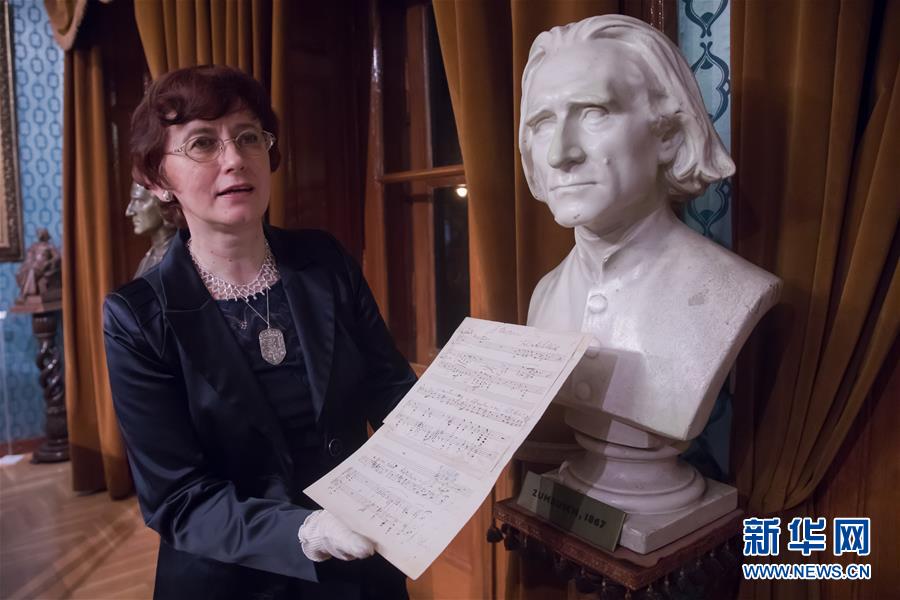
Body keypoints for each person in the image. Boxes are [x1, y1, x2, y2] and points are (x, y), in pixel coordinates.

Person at [103, 65, 416, 599]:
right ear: (158, 180)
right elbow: (178, 499)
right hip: (231, 578)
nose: (234, 159)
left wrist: (464, 423)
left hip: (363, 565)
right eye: (202, 143)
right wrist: (306, 530)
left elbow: (391, 391)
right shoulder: (136, 316)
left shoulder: (324, 260)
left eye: (248, 136)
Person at [125, 181, 176, 277]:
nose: (129, 211)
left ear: (164, 203)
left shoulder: (180, 260)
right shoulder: (149, 258)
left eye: (139, 201)